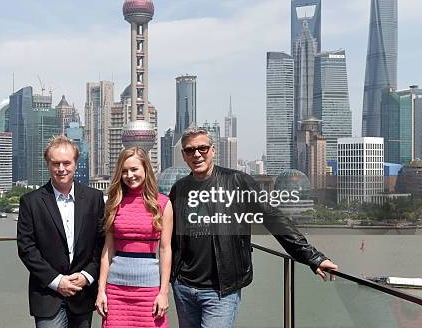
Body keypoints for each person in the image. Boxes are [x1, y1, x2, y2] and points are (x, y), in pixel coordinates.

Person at [170, 128, 338, 328]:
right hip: (184, 289)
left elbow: (272, 218)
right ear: (183, 155)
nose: (197, 154)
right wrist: (173, 277)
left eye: (202, 148)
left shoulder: (236, 182)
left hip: (221, 291)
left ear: (213, 150)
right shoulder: (179, 189)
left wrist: (312, 257)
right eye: (190, 150)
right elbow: (170, 239)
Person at [17, 136, 105, 328]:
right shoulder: (30, 202)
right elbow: (26, 248)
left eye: (67, 163)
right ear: (48, 164)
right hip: (47, 294)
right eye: (55, 163)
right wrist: (56, 281)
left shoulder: (94, 198)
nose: (61, 169)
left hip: (82, 294)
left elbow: (102, 244)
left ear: (76, 163)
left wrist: (87, 276)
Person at [95, 147, 173, 328]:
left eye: (134, 169)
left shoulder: (162, 203)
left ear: (146, 169)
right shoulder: (114, 203)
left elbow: (165, 249)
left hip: (150, 290)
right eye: (124, 171)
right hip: (115, 290)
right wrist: (101, 291)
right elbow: (108, 249)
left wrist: (163, 293)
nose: (129, 175)